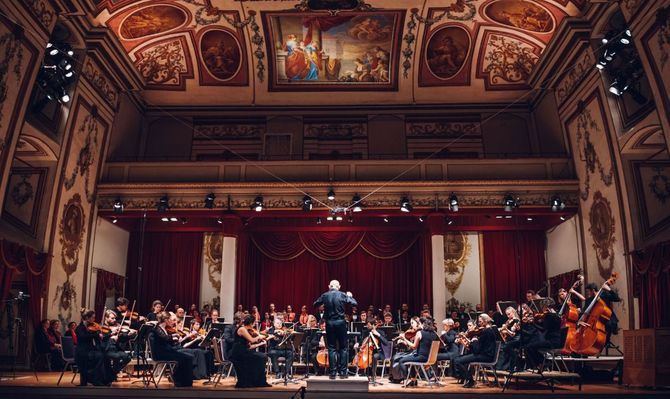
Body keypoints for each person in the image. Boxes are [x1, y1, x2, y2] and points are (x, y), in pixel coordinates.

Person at [313, 279, 358, 379]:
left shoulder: (325, 295)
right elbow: (354, 303)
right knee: (343, 348)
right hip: (341, 323)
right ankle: (342, 373)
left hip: (329, 323)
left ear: (329, 286)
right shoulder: (342, 295)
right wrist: (350, 296)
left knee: (332, 348)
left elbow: (315, 304)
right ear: (339, 286)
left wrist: (324, 303)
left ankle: (332, 373)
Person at [149, 311, 193, 387]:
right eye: (170, 319)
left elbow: (166, 341)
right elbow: (164, 338)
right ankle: (180, 380)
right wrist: (174, 336)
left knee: (188, 357)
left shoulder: (162, 328)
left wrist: (175, 339)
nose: (171, 321)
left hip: (167, 351)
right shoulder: (157, 329)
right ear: (166, 320)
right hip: (161, 354)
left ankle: (180, 379)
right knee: (187, 358)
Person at [453, 314, 497, 388]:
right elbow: (477, 348)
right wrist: (471, 343)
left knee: (458, 361)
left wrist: (474, 341)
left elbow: (477, 350)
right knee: (458, 359)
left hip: (486, 356)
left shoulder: (486, 332)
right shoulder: (488, 331)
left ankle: (470, 381)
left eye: (480, 322)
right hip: (483, 354)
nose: (479, 324)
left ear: (485, 321)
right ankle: (469, 380)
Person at [230, 314, 272, 388]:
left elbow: (249, 346)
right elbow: (252, 340)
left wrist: (262, 343)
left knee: (262, 356)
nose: (254, 325)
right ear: (251, 323)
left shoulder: (246, 330)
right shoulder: (242, 329)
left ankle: (257, 381)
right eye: (254, 323)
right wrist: (259, 336)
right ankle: (258, 381)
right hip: (238, 353)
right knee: (261, 357)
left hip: (244, 351)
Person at [75, 309, 113, 386]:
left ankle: (104, 379)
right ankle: (94, 379)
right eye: (93, 317)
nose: (94, 319)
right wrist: (96, 335)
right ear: (87, 318)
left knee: (105, 356)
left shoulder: (93, 327)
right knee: (100, 356)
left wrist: (108, 334)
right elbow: (83, 337)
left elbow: (100, 336)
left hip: (90, 350)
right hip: (82, 352)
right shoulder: (80, 328)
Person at [396, 317, 438, 387]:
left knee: (401, 361)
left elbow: (414, 346)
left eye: (419, 324)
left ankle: (409, 379)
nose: (419, 325)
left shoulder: (419, 333)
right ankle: (413, 380)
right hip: (430, 358)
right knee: (411, 358)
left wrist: (404, 339)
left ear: (422, 324)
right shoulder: (434, 334)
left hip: (421, 358)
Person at [101, 310, 134, 377]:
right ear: (106, 318)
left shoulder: (117, 326)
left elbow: (122, 339)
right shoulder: (102, 327)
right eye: (112, 318)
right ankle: (111, 374)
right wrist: (111, 335)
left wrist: (128, 335)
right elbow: (102, 338)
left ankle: (113, 372)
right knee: (117, 357)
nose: (114, 320)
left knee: (127, 357)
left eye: (115, 318)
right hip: (107, 349)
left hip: (116, 349)